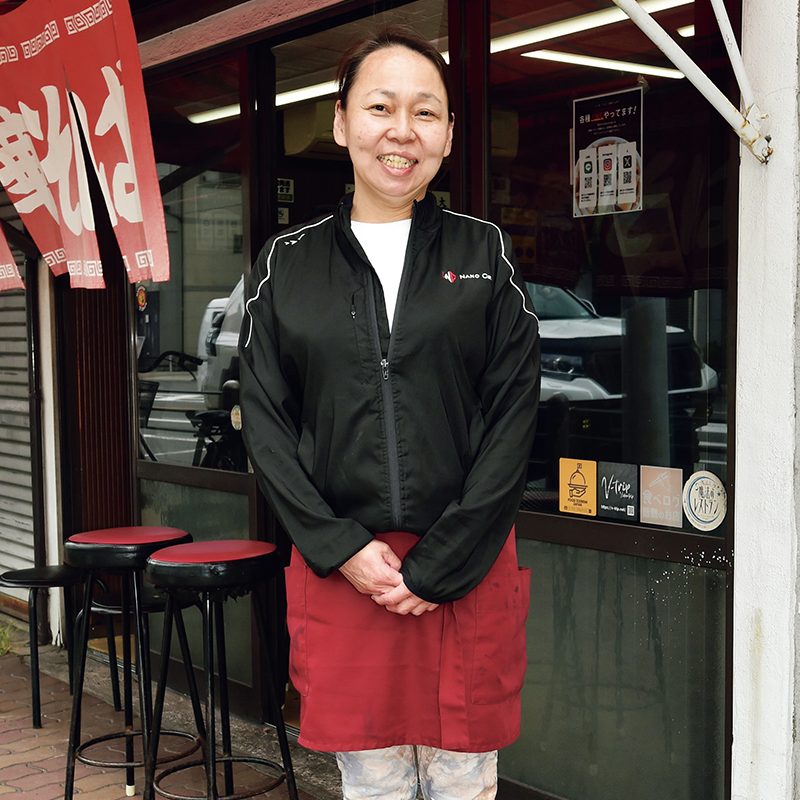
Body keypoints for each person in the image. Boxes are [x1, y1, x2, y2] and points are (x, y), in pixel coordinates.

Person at [239, 26, 540, 800]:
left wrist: (444, 562)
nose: (401, 131)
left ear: (446, 135)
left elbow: (513, 417)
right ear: (342, 123)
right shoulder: (288, 264)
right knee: (370, 785)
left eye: (425, 112)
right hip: (350, 576)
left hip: (464, 570)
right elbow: (267, 423)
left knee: (463, 783)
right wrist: (339, 545)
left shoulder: (485, 254)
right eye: (380, 107)